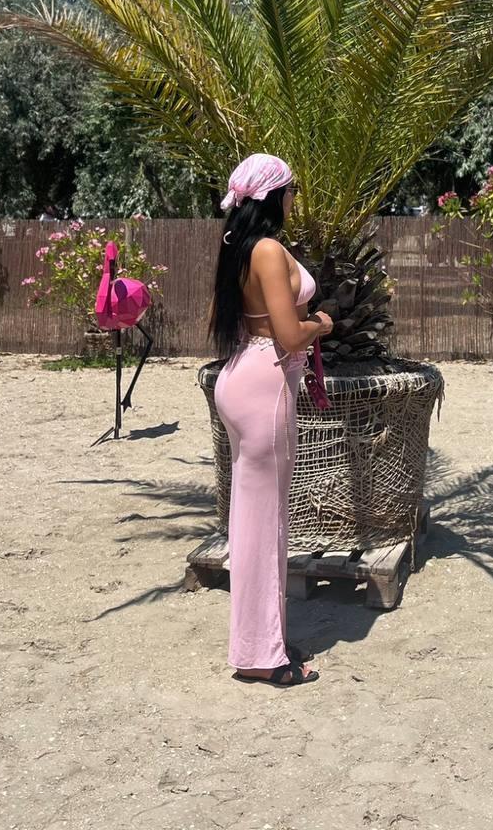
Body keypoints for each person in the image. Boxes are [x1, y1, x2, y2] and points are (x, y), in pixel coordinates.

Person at [209, 154, 332, 688]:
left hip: (239, 375)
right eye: (291, 189)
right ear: (275, 196)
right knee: (265, 526)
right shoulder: (267, 250)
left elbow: (225, 319)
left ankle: (265, 639)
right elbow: (288, 333)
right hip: (267, 383)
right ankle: (260, 654)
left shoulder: (235, 247)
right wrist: (320, 324)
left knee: (251, 521)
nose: (294, 198)